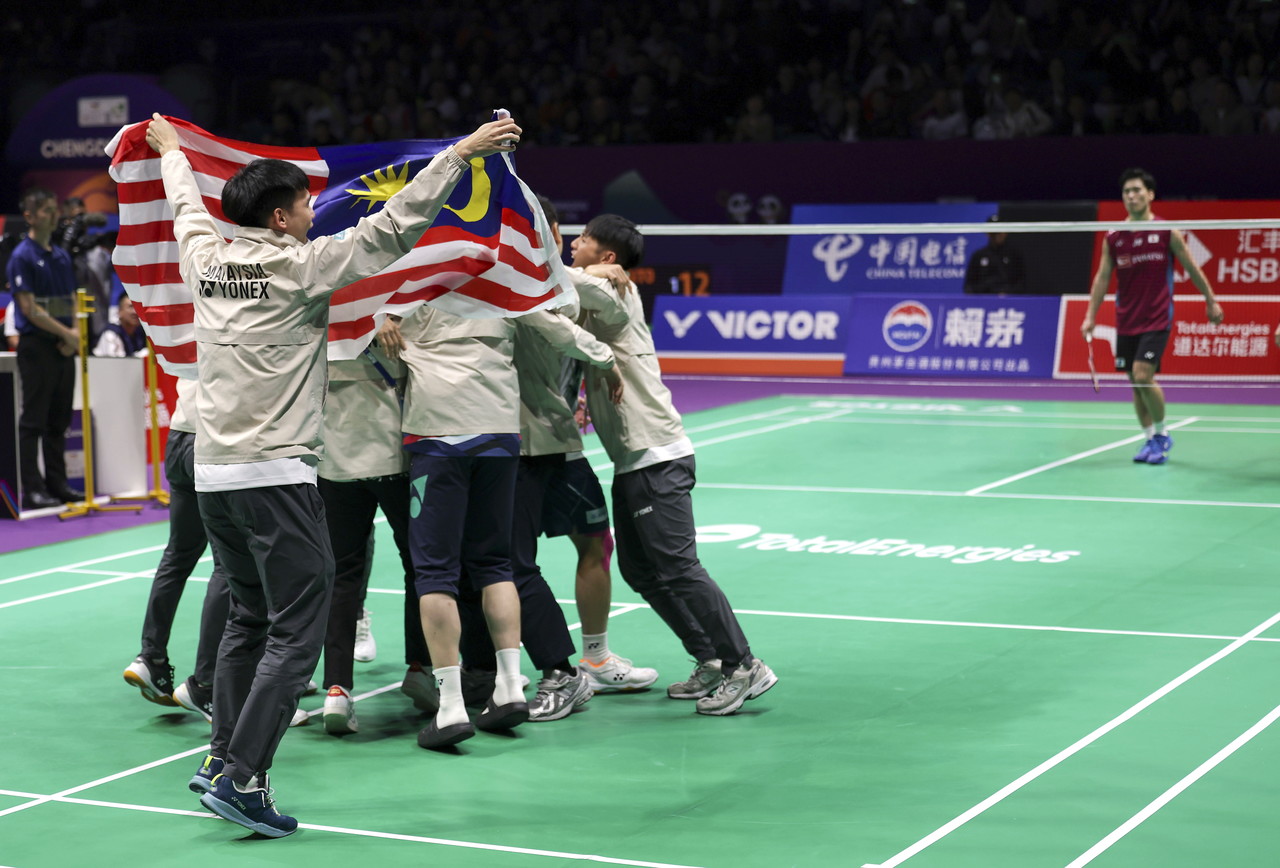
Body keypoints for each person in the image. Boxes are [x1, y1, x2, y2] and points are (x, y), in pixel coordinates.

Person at [144, 110, 519, 836]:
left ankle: (220, 759)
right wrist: (463, 152)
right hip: (276, 477)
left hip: (215, 474)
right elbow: (395, 226)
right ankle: (245, 777)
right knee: (296, 633)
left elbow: (183, 206)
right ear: (281, 217)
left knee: (248, 621)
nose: (317, 214)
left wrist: (172, 152)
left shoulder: (205, 260)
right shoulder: (301, 266)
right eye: (308, 206)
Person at [570, 214, 778, 717]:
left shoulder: (612, 293)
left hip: (655, 455)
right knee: (640, 569)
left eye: (582, 241)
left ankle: (745, 664)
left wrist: (597, 277)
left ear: (608, 258)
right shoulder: (597, 289)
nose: (571, 244)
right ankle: (709, 657)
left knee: (679, 567)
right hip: (631, 459)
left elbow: (545, 282)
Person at [314, 317, 433, 735]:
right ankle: (420, 668)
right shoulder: (396, 313)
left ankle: (337, 689)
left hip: (336, 463)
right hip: (394, 461)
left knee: (342, 576)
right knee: (420, 567)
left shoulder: (320, 313)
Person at [1081, 168, 1223, 465]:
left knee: (1144, 375)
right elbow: (1102, 278)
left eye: (1137, 190)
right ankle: (1148, 440)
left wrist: (1210, 300)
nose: (1131, 196)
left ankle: (1162, 434)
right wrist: (1090, 316)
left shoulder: (1166, 230)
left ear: (1150, 194)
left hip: (1157, 316)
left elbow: (1192, 267)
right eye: (1126, 192)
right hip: (1126, 318)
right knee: (1135, 382)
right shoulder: (1114, 235)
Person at [122, 378, 231, 726]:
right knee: (230, 565)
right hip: (217, 439)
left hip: (181, 434)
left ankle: (151, 656)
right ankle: (206, 683)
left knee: (179, 554)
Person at [6, 187, 83, 510]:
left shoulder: (62, 256)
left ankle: (57, 483)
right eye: (46, 210)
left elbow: (71, 300)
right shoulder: (22, 256)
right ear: (30, 216)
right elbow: (28, 308)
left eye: (55, 209)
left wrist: (75, 334)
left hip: (64, 347)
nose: (54, 215)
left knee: (58, 420)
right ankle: (32, 490)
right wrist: (67, 333)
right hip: (36, 347)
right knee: (33, 420)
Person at [963, 215, 1027, 295]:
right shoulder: (978, 256)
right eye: (993, 232)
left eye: (999, 231)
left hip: (1009, 303)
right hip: (983, 301)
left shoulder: (1015, 255)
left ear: (1005, 232)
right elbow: (969, 286)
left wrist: (1008, 294)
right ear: (987, 233)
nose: (996, 235)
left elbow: (1022, 283)